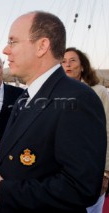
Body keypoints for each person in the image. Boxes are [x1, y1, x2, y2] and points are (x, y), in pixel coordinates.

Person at [0, 11, 107, 212]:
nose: (6, 50)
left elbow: (81, 188)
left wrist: (3, 192)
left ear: (42, 46)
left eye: (13, 41)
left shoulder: (77, 99)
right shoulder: (26, 97)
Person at [62, 47, 109, 213]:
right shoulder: (56, 94)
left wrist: (106, 172)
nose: (67, 64)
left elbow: (108, 132)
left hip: (91, 171)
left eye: (72, 60)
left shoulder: (99, 92)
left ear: (83, 66)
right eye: (63, 61)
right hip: (61, 174)